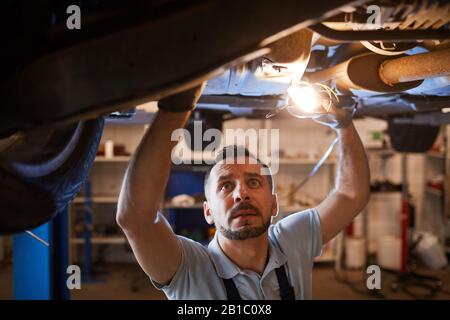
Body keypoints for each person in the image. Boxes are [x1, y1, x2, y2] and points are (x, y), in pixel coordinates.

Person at [116, 83, 370, 300]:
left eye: (254, 182)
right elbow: (136, 218)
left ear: (274, 205)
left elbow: (350, 195)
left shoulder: (293, 240)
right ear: (208, 212)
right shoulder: (188, 268)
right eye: (226, 185)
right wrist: (177, 105)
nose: (241, 194)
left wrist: (344, 124)